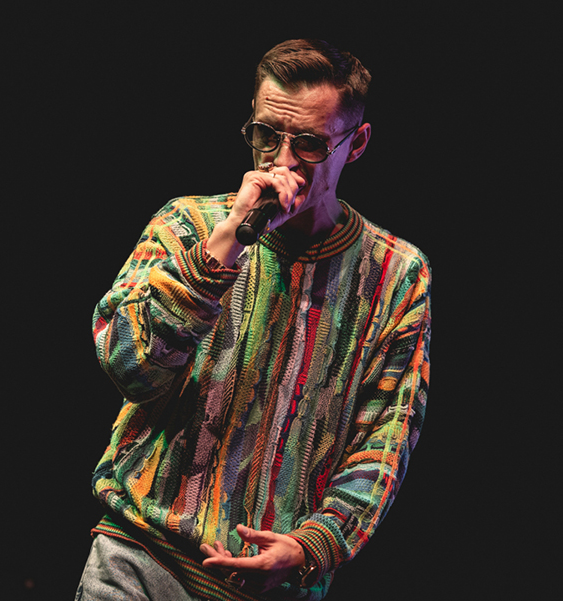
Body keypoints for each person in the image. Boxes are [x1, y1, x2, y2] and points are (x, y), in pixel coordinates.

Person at [76, 39, 432, 601]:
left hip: (266, 588)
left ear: (356, 144)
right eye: (267, 135)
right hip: (139, 558)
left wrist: (314, 546)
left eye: (309, 143)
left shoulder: (396, 274)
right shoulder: (188, 225)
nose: (282, 161)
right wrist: (222, 249)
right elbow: (129, 367)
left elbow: (387, 434)